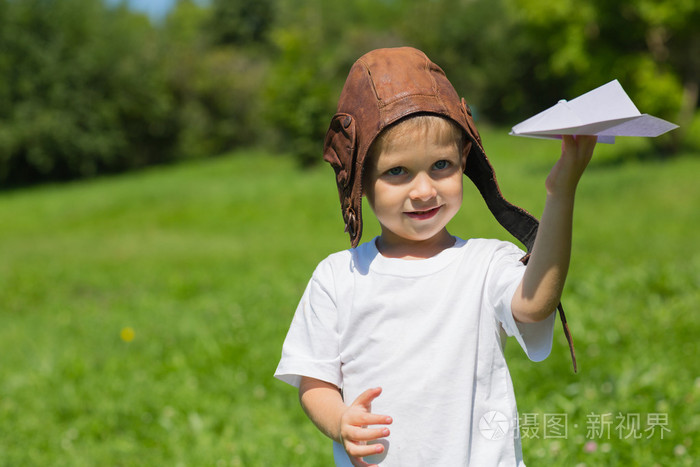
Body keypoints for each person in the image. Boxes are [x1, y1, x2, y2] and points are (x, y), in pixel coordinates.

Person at [274, 47, 596, 466]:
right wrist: (341, 422)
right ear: (360, 182)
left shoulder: (485, 264)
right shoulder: (339, 276)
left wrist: (561, 192)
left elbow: (536, 305)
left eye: (441, 165)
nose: (424, 190)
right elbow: (314, 380)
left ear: (465, 160)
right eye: (397, 172)